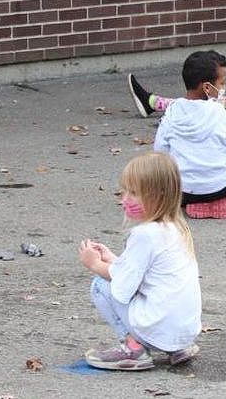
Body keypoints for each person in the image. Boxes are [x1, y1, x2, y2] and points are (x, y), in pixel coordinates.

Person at [78, 152, 202, 371]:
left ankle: (133, 347)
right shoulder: (177, 228)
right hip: (185, 331)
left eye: (133, 193)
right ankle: (176, 348)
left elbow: (123, 287)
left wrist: (95, 264)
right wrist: (113, 259)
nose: (124, 198)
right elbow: (148, 274)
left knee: (100, 285)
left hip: (157, 325)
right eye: (124, 191)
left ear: (158, 195)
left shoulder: (144, 234)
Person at [152, 50, 226, 219]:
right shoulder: (220, 113)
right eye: (222, 83)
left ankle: (192, 202)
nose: (223, 88)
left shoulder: (171, 113)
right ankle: (220, 200)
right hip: (220, 185)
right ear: (208, 88)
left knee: (163, 188)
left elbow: (160, 152)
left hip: (184, 189)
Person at [128, 50, 226, 143]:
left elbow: (161, 149)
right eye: (221, 83)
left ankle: (152, 102)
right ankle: (151, 102)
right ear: (208, 87)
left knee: (191, 104)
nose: (223, 86)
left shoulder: (171, 115)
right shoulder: (219, 115)